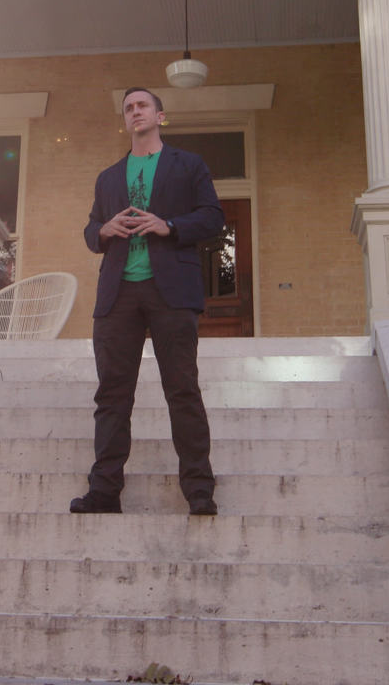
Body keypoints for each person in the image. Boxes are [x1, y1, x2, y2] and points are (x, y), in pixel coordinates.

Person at [72, 86, 225, 516]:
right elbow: (90, 230)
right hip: (118, 293)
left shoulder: (188, 164)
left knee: (183, 390)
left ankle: (199, 489)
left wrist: (168, 224)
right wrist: (103, 230)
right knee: (112, 395)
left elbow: (213, 217)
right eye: (128, 108)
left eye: (142, 106)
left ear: (161, 116)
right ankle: (104, 491)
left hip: (171, 291)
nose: (135, 112)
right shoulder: (108, 177)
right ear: (125, 120)